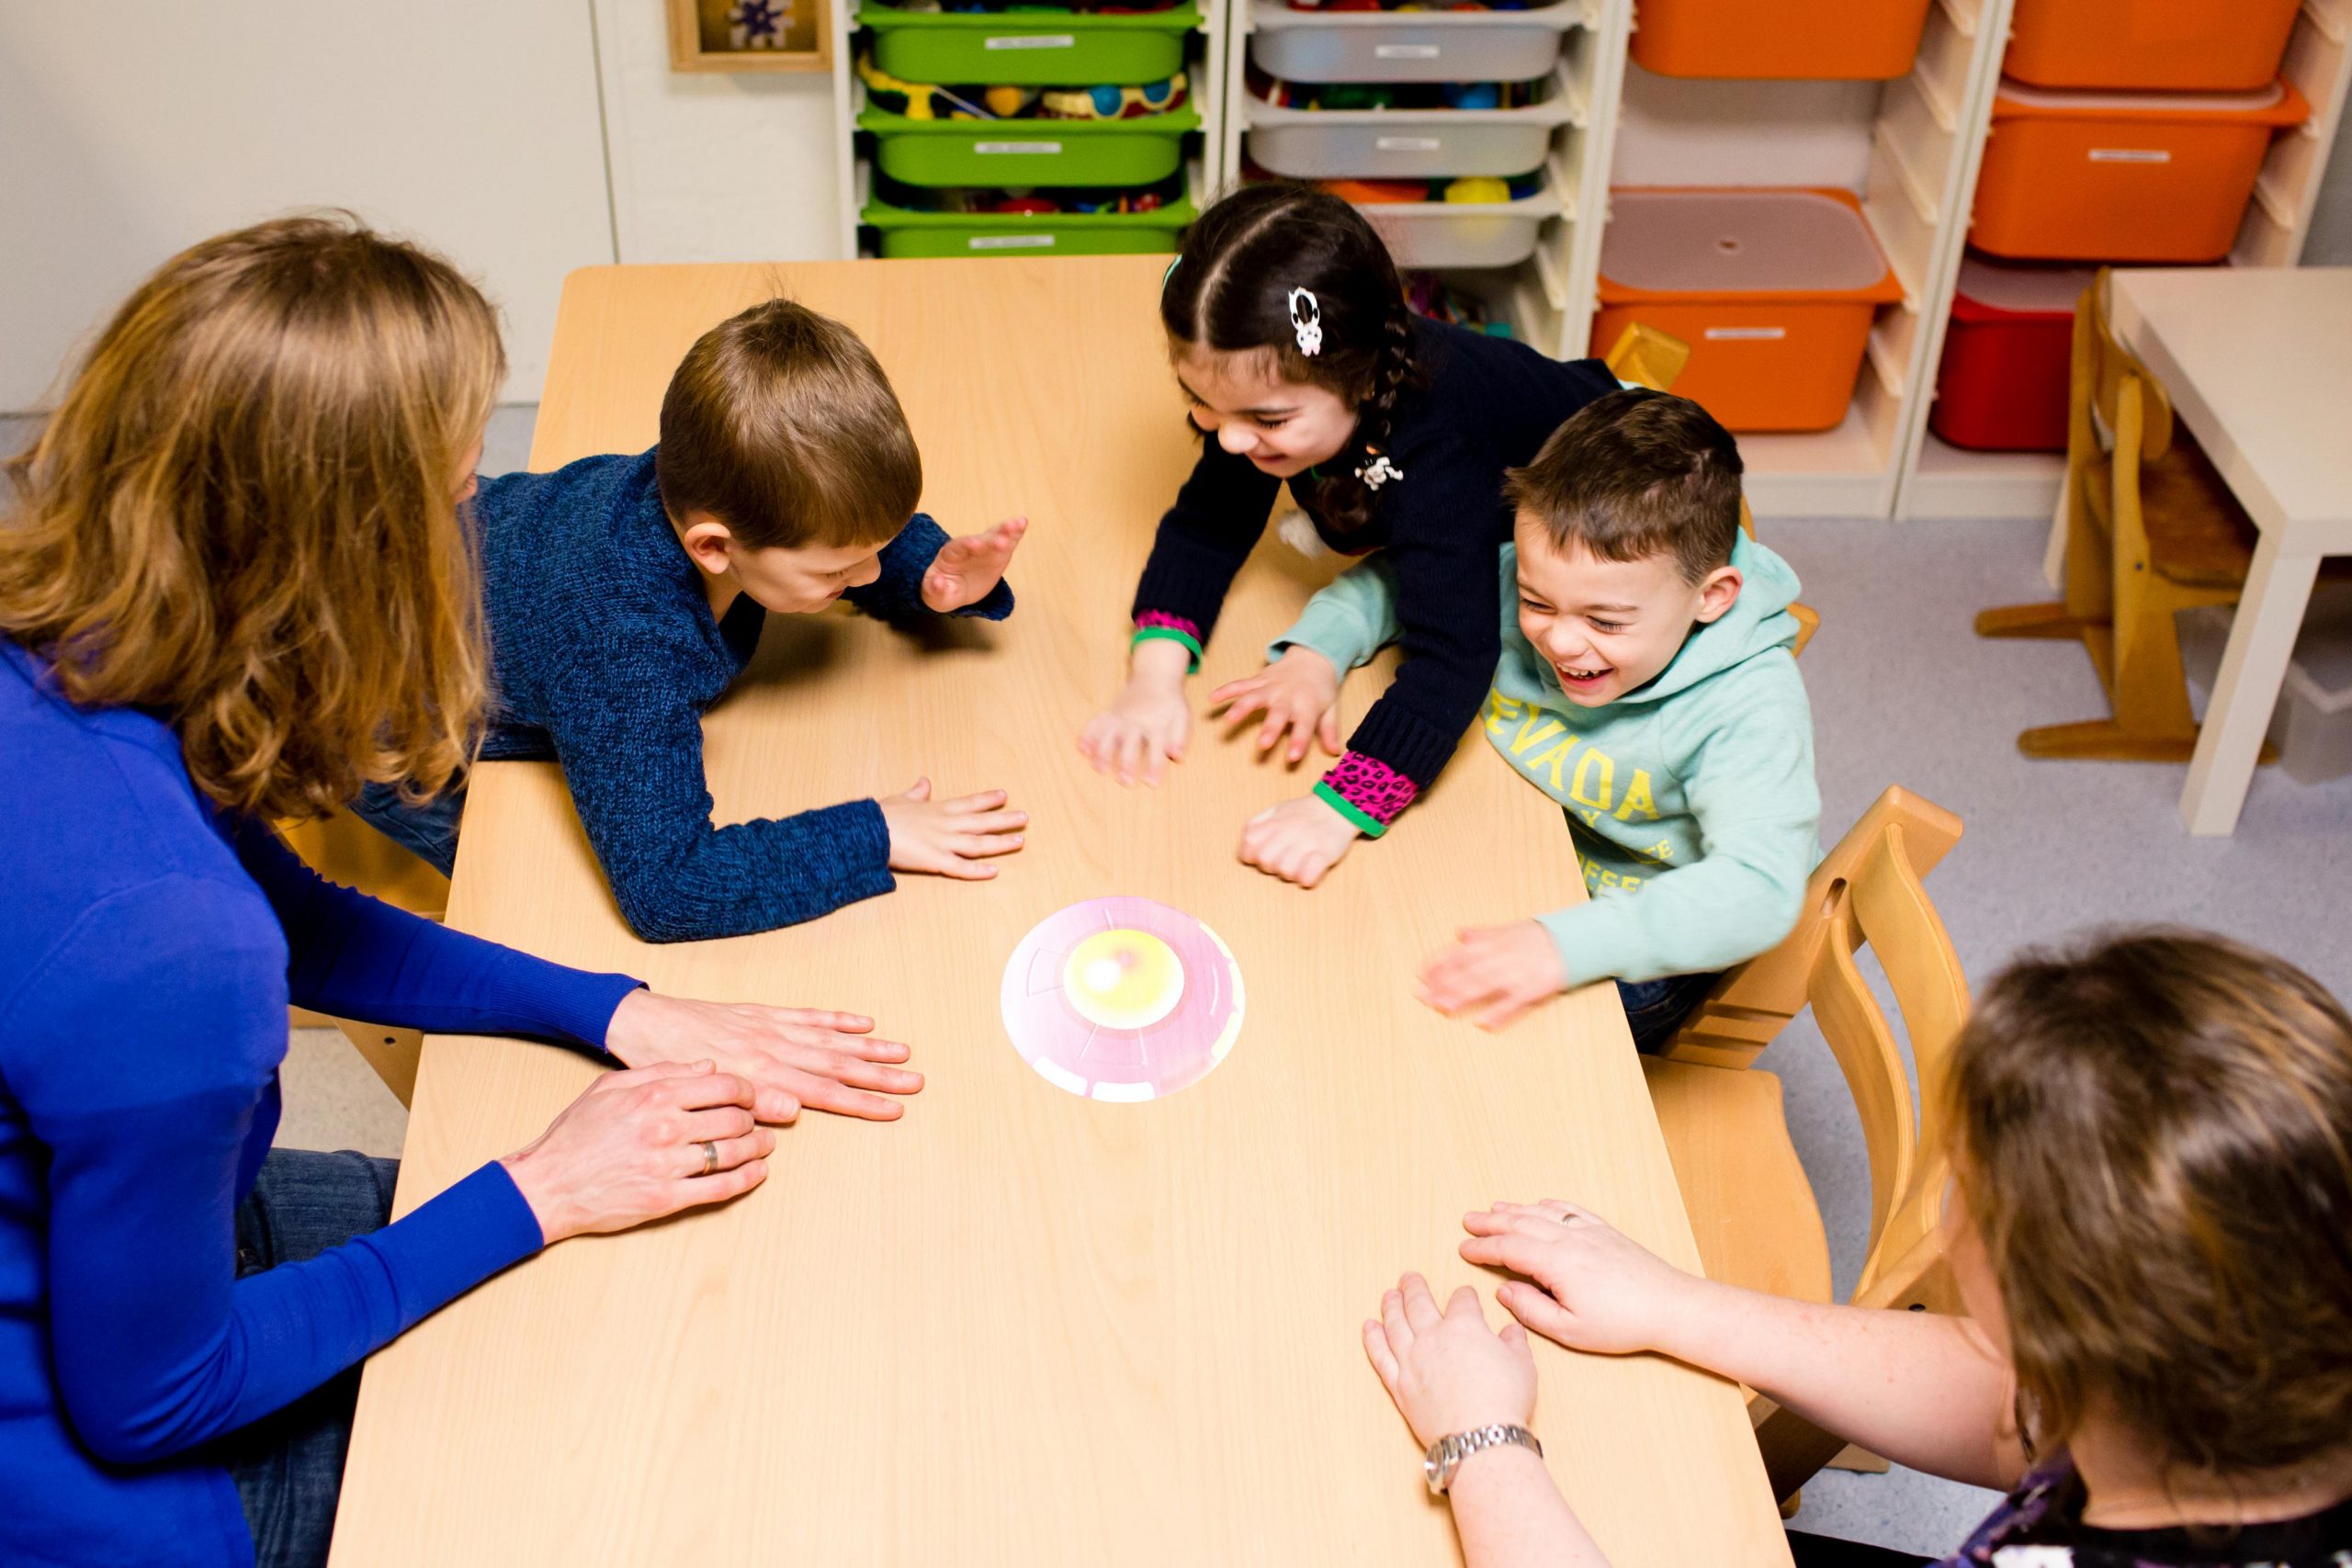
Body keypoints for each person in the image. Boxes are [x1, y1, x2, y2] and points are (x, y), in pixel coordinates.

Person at [0, 216, 922, 1568]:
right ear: (346, 560)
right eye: (453, 488)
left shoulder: (73, 651)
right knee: (659, 1434)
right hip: (115, 1480)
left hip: (133, 1245)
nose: (480, 504)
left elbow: (293, 918)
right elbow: (155, 1401)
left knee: (684, 1237)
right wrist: (541, 1186)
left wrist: (611, 1008)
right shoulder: (165, 953)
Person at [1361, 928, 2352, 1567]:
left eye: (1966, 1188)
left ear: (2058, 1319)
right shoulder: (2243, 1377)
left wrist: (1480, 1443)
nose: (1946, 1212)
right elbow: (2017, 1417)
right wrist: (1676, 1304)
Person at [349, 298, 1030, 942]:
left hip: (483, 563)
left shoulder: (720, 483)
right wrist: (877, 834)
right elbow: (668, 889)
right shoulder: (623, 646)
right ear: (714, 548)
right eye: (836, 572)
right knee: (523, 905)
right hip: (388, 718)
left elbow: (838, 524)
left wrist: (928, 576)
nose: (870, 575)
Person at [1078, 181, 1620, 888]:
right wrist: (1153, 677)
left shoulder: (1439, 454)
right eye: (1200, 402)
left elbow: (1453, 656)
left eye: (1268, 421)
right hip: (1482, 501)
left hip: (1609, 490)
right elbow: (1209, 524)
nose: (1230, 439)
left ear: (1361, 381)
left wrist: (1337, 809)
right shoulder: (1259, 395)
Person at [1273, 389, 1816, 1048]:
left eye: (1604, 622)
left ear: (1713, 597)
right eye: (1536, 602)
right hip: (1532, 842)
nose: (1558, 641)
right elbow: (1396, 582)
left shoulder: (1749, 706)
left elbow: (1759, 889)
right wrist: (1314, 655)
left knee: (1442, 1036)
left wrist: (1563, 945)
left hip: (1645, 935)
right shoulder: (1557, 572)